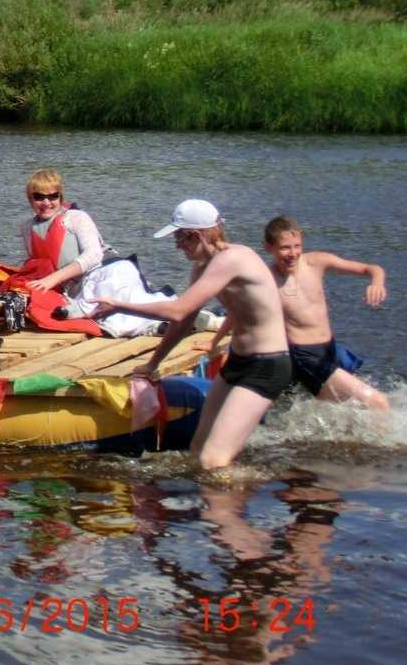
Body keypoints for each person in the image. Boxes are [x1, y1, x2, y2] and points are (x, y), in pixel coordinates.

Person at [92, 200, 292, 471]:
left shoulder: (233, 259)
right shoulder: (202, 268)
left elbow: (177, 310)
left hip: (267, 365)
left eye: (179, 238)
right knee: (197, 449)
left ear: (196, 235)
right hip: (238, 362)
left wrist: (119, 305)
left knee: (213, 461)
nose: (177, 245)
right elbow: (184, 321)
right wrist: (153, 364)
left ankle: (229, 510)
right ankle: (219, 503)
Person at [261, 215, 389, 411]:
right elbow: (239, 311)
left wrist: (377, 283)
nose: (292, 253)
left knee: (348, 409)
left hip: (329, 349)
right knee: (377, 403)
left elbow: (371, 268)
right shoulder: (266, 279)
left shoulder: (317, 262)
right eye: (285, 247)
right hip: (304, 356)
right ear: (268, 247)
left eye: (297, 246)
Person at [17, 168, 107, 296]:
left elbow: (94, 255)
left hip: (94, 283)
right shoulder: (26, 228)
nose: (46, 203)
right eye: (39, 197)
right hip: (61, 289)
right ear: (30, 199)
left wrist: (52, 279)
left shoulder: (76, 218)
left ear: (60, 197)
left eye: (53, 196)